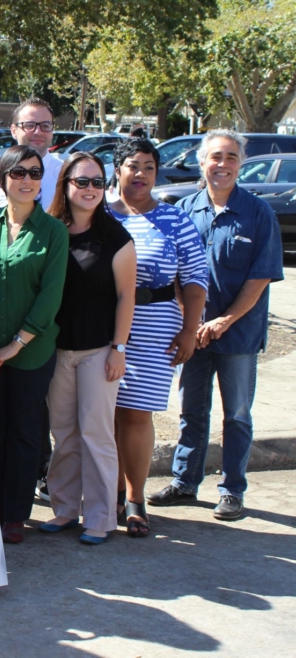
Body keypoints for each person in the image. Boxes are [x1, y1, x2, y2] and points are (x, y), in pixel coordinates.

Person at [148, 130, 284, 520]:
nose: (221, 164)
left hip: (237, 334)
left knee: (237, 414)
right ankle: (184, 482)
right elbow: (173, 271)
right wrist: (191, 321)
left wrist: (224, 319)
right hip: (194, 332)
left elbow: (260, 277)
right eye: (214, 157)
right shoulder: (184, 210)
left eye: (230, 157)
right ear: (202, 162)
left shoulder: (259, 213)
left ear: (240, 164)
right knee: (193, 410)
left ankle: (232, 489)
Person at [0, 145, 68, 545]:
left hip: (32, 353)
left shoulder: (54, 231)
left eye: (35, 173)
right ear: (2, 178)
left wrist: (16, 345)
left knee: (25, 432)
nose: (27, 180)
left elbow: (50, 296)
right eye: (19, 173)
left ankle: (14, 515)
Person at [108, 137, 208, 538]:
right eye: (133, 165)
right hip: (103, 325)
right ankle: (108, 494)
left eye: (149, 167)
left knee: (135, 414)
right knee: (104, 415)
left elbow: (196, 280)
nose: (141, 174)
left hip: (153, 326)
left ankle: (134, 498)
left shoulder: (175, 220)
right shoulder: (100, 214)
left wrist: (190, 330)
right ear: (118, 170)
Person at [41, 152, 136, 545]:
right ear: (65, 184)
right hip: (57, 351)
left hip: (99, 351)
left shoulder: (115, 237)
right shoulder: (50, 230)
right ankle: (64, 508)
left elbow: (126, 296)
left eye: (98, 182)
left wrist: (119, 347)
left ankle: (99, 517)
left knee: (96, 433)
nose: (90, 189)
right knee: (63, 434)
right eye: (82, 181)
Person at [0, 98, 64, 213]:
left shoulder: (66, 174)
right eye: (29, 125)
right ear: (14, 131)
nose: (38, 132)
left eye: (45, 125)